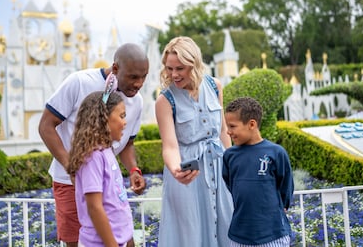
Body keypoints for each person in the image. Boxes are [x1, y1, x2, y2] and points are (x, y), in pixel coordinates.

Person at [38, 43, 148, 247]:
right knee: (79, 240)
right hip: (69, 183)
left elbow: (128, 143)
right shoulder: (79, 82)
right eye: (133, 77)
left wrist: (133, 169)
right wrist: (72, 167)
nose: (139, 83)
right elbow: (46, 126)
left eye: (144, 76)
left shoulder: (137, 101)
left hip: (107, 183)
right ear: (115, 68)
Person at [155, 36, 233, 247]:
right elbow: (170, 146)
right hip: (187, 176)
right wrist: (176, 170)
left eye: (180, 68)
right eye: (169, 68)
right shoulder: (165, 100)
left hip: (219, 169)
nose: (173, 74)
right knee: (190, 235)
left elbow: (223, 131)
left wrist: (234, 166)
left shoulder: (215, 86)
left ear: (194, 64)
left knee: (227, 225)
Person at [222, 97, 294, 246]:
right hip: (239, 237)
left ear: (252, 124)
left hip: (273, 236)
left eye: (232, 126)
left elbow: (285, 187)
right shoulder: (229, 156)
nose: (228, 132)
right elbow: (231, 185)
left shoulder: (276, 152)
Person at [67, 91, 134, 247]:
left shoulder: (106, 152)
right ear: (104, 120)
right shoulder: (93, 157)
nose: (125, 122)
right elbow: (94, 207)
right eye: (122, 116)